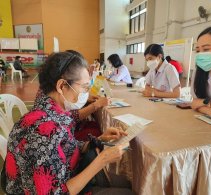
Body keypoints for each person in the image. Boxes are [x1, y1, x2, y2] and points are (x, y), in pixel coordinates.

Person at [5, 51, 133, 194]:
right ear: (61, 86)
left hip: (66, 173)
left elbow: (64, 146)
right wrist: (102, 160)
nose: (87, 92)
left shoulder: (52, 112)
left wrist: (99, 140)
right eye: (84, 87)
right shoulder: (44, 130)